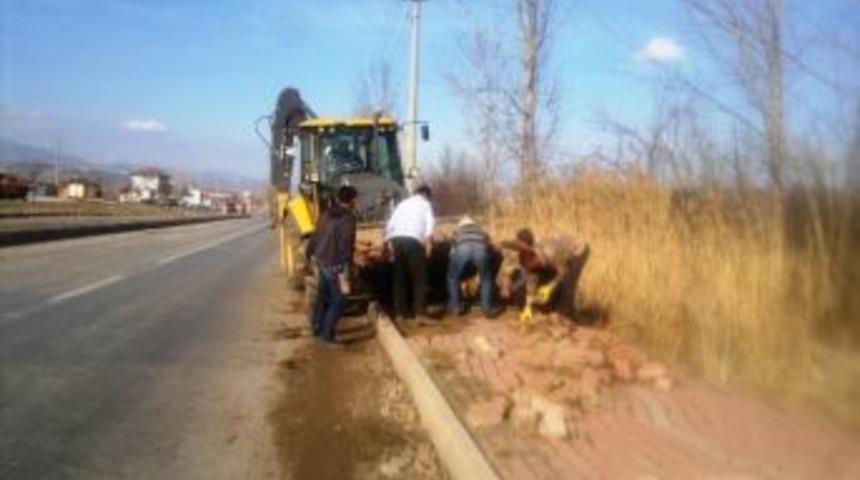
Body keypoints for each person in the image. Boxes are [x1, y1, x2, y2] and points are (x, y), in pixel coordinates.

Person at [306, 185, 359, 348]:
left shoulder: (326, 214)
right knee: (339, 300)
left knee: (323, 295)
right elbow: (345, 245)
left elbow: (315, 235)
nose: (357, 202)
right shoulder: (348, 219)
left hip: (320, 259)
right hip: (334, 263)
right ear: (352, 201)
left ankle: (316, 326)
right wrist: (345, 267)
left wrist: (309, 254)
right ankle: (326, 337)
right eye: (356, 199)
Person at [501, 228, 589, 321]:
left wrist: (550, 287)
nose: (528, 269)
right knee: (546, 279)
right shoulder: (525, 259)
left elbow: (562, 271)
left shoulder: (547, 255)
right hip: (556, 253)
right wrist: (528, 307)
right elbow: (531, 281)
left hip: (578, 249)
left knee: (567, 283)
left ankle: (566, 316)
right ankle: (552, 307)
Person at [384, 185, 435, 326]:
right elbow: (430, 224)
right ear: (426, 195)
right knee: (420, 278)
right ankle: (420, 314)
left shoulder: (402, 204)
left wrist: (387, 243)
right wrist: (429, 244)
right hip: (413, 241)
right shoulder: (425, 204)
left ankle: (400, 313)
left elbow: (390, 224)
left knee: (399, 278)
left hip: (396, 240)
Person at [447, 216, 501, 318]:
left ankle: (455, 308)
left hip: (462, 250)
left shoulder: (457, 231)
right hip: (480, 250)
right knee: (486, 279)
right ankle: (486, 309)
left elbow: (453, 249)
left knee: (452, 277)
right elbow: (489, 246)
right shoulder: (481, 231)